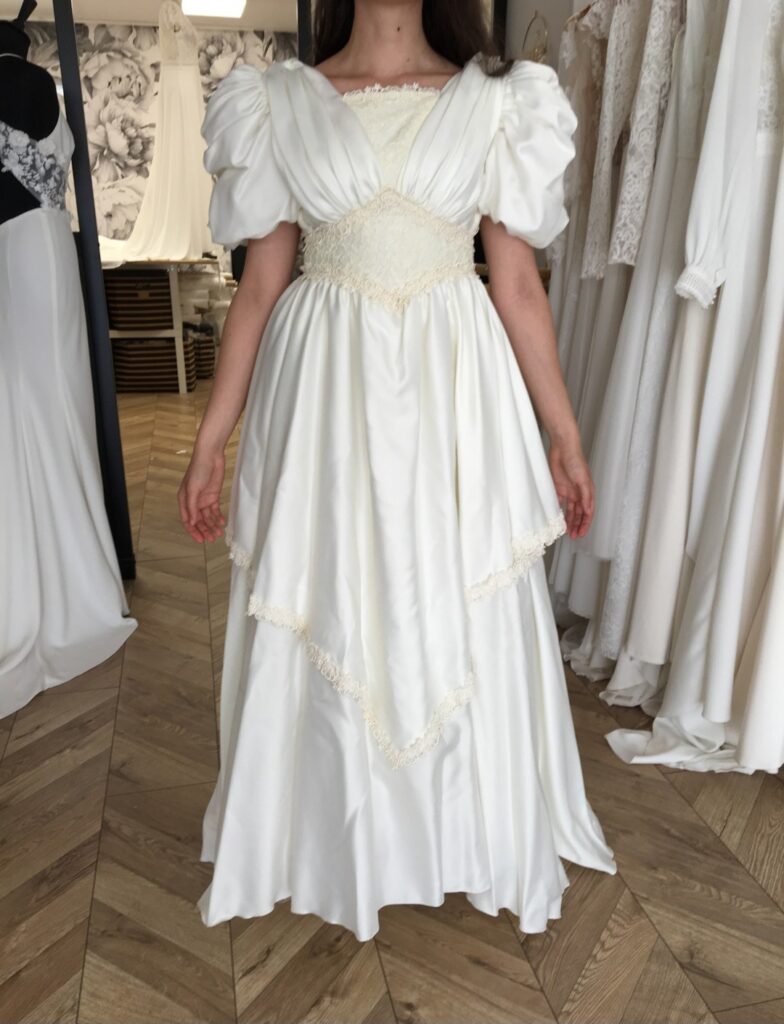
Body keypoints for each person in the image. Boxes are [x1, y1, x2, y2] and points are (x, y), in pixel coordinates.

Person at [178, 0, 617, 943]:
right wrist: (212, 439)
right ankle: (326, 837)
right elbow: (260, 287)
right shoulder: (276, 99)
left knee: (452, 589)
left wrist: (564, 434)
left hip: (454, 381)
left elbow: (517, 282)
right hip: (325, 385)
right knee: (332, 587)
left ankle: (461, 830)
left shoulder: (499, 99)